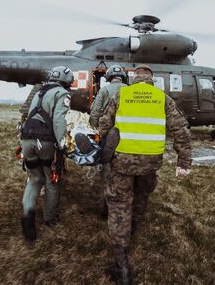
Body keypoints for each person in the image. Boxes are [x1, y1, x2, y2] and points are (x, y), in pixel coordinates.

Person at [99, 64, 192, 285]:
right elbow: (181, 129)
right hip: (150, 163)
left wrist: (102, 151)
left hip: (123, 162)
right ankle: (133, 228)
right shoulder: (162, 98)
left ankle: (121, 265)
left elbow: (104, 124)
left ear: (133, 78)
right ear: (152, 79)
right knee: (141, 197)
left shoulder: (122, 95)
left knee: (120, 204)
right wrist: (184, 161)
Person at [20, 66, 73, 241]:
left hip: (27, 140)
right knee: (52, 180)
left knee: (34, 179)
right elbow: (59, 121)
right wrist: (64, 144)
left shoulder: (38, 92)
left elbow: (28, 116)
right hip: (46, 142)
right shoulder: (62, 94)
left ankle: (28, 215)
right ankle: (50, 219)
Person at [89, 64, 128, 218]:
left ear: (109, 77)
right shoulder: (129, 90)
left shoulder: (104, 90)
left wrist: (94, 127)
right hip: (126, 136)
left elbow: (95, 113)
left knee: (106, 171)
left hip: (108, 136)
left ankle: (106, 210)